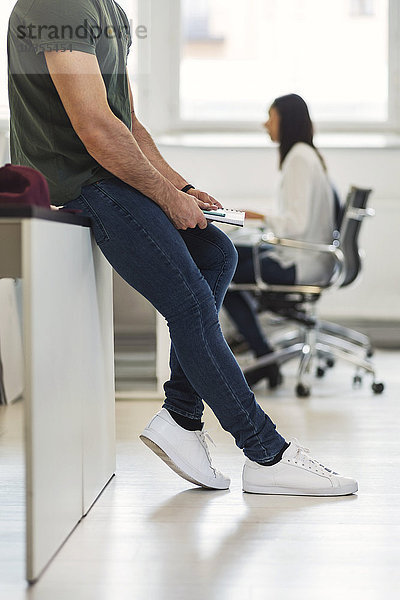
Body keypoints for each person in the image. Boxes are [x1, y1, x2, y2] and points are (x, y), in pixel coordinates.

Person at [7, 1, 357, 496]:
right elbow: (94, 126)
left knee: (218, 253)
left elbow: (127, 122)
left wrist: (182, 188)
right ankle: (265, 453)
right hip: (78, 183)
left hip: (107, 176)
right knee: (189, 299)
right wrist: (166, 198)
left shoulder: (107, 9)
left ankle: (181, 418)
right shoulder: (57, 4)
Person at [224, 94, 336, 389]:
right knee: (230, 255)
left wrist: (257, 216)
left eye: (270, 117)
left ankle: (263, 356)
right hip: (306, 257)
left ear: (285, 121)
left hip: (302, 262)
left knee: (221, 267)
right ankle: (259, 352)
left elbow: (296, 224)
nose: (265, 124)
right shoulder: (305, 154)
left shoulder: (299, 157)